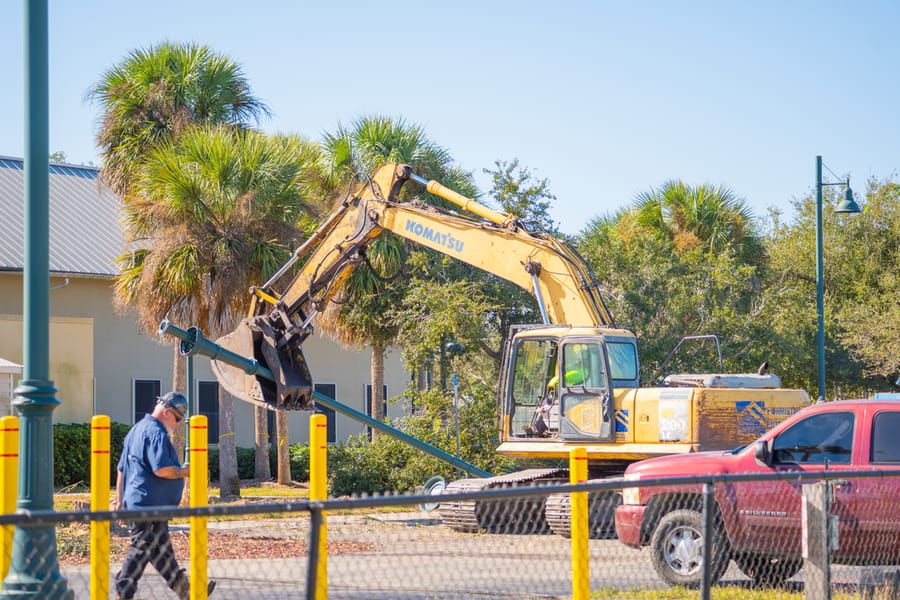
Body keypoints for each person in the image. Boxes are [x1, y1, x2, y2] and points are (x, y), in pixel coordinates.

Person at [113, 391, 216, 600]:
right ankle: (123, 592)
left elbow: (122, 469)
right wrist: (189, 471)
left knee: (161, 553)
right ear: (168, 413)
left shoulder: (136, 430)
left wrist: (119, 499)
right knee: (141, 548)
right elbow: (162, 469)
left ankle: (187, 592)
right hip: (149, 505)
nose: (178, 423)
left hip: (143, 503)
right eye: (178, 418)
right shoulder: (156, 433)